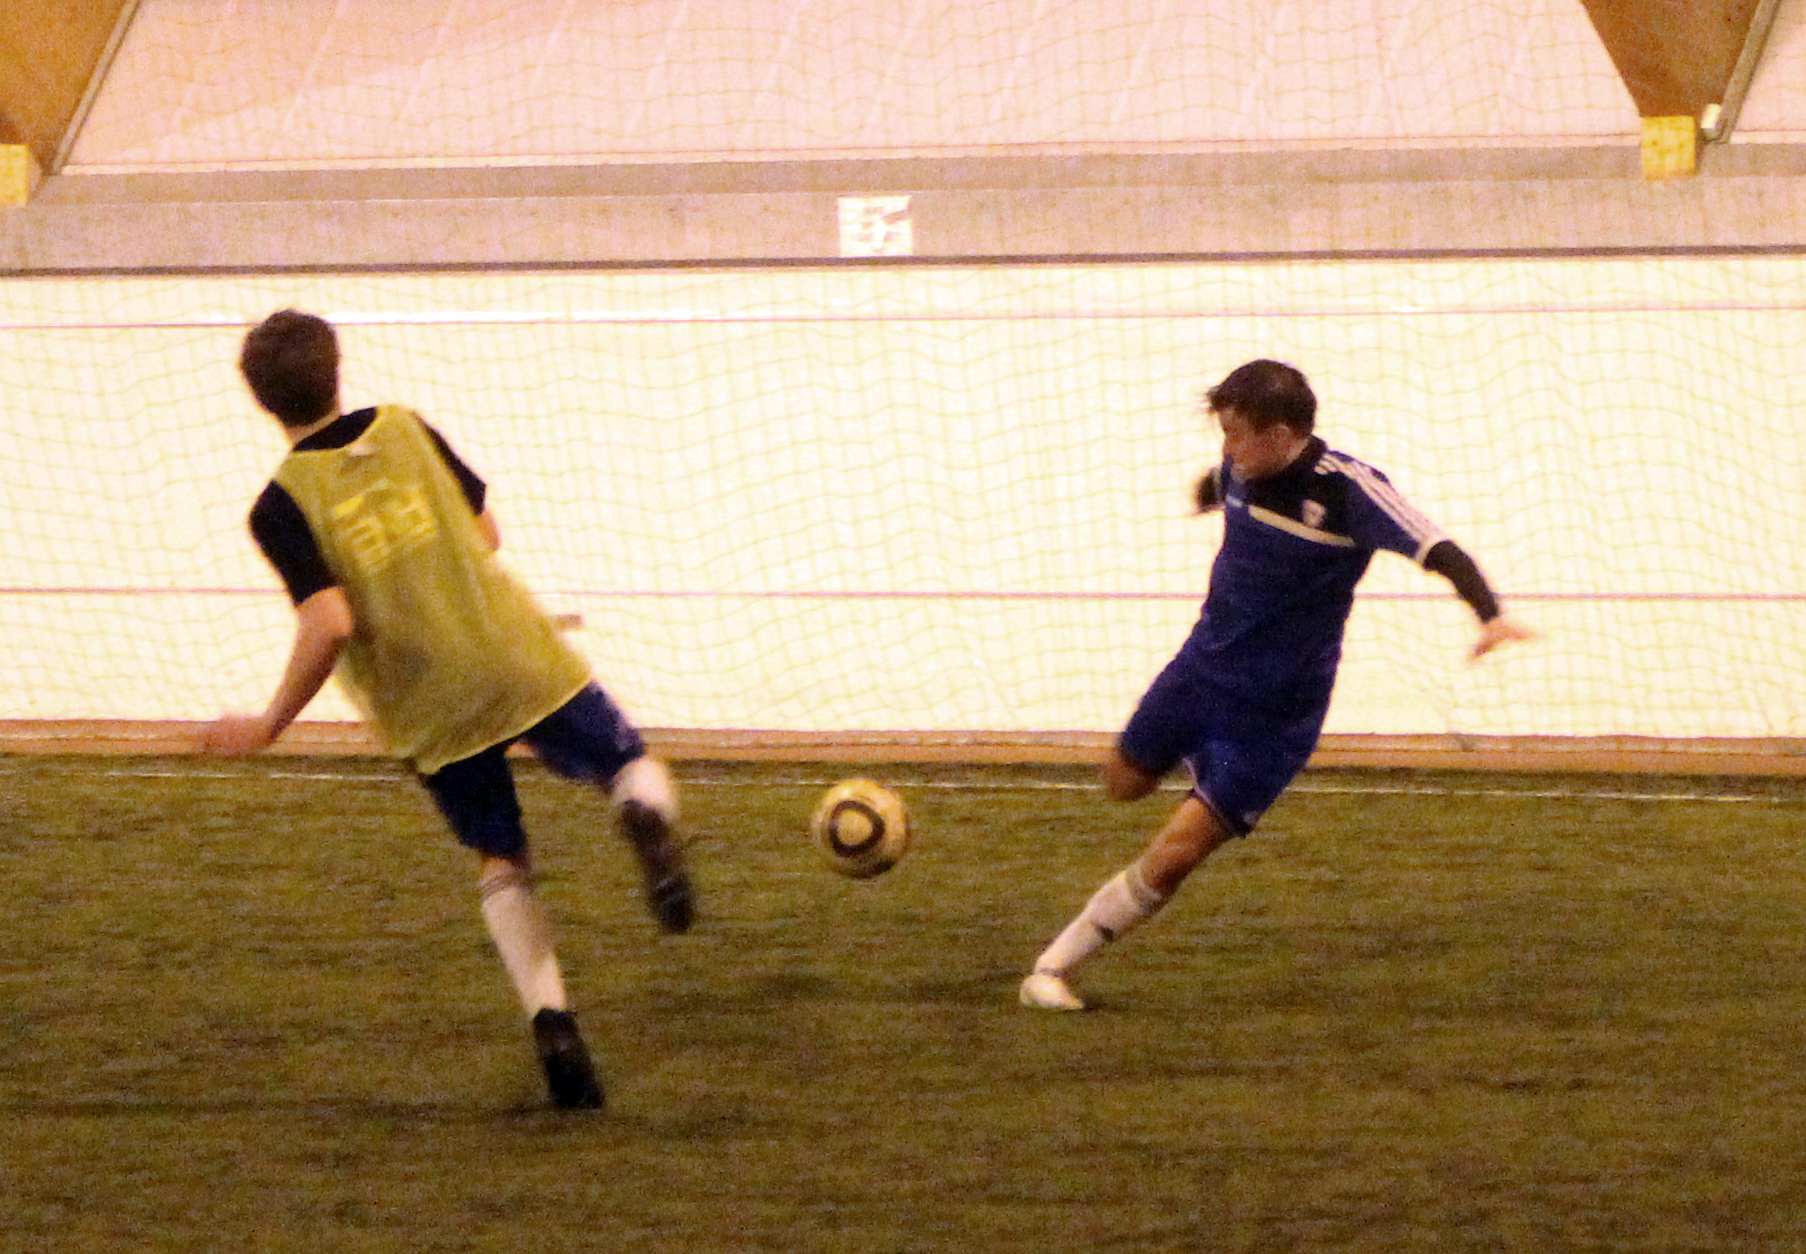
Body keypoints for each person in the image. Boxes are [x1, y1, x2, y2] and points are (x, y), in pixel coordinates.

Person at [202, 309, 693, 1108]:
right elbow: (485, 534)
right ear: (336, 369)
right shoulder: (405, 426)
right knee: (625, 763)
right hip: (513, 654)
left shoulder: (279, 507)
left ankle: (554, 1026)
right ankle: (642, 815)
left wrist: (268, 724)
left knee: (502, 857)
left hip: (427, 702)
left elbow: (330, 622)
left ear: (261, 400)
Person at [1020, 359, 1532, 1012]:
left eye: (1236, 435)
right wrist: (1206, 492)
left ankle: (1052, 969)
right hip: (1198, 673)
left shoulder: (1350, 492)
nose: (1227, 449)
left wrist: (1490, 615)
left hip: (1274, 718)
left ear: (1282, 434)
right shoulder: (1239, 466)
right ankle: (1199, 776)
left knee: (1174, 856)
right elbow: (1221, 480)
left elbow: (1440, 548)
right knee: (1122, 783)